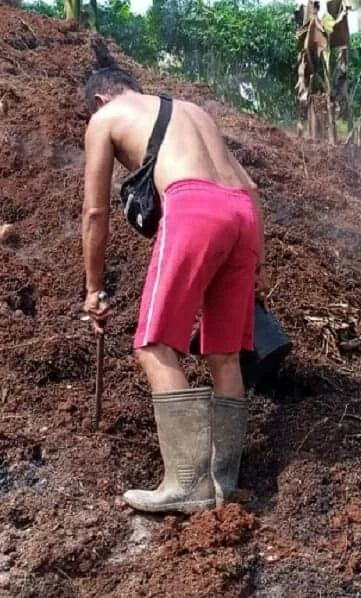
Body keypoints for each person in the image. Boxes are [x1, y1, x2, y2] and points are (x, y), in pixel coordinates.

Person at [79, 66, 268, 513]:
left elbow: (94, 213)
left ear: (100, 100)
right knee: (224, 351)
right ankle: (224, 480)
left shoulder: (106, 117)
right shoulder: (192, 110)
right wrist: (258, 261)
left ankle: (187, 484)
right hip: (243, 216)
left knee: (155, 345)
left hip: (194, 208)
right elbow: (252, 188)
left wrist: (93, 288)